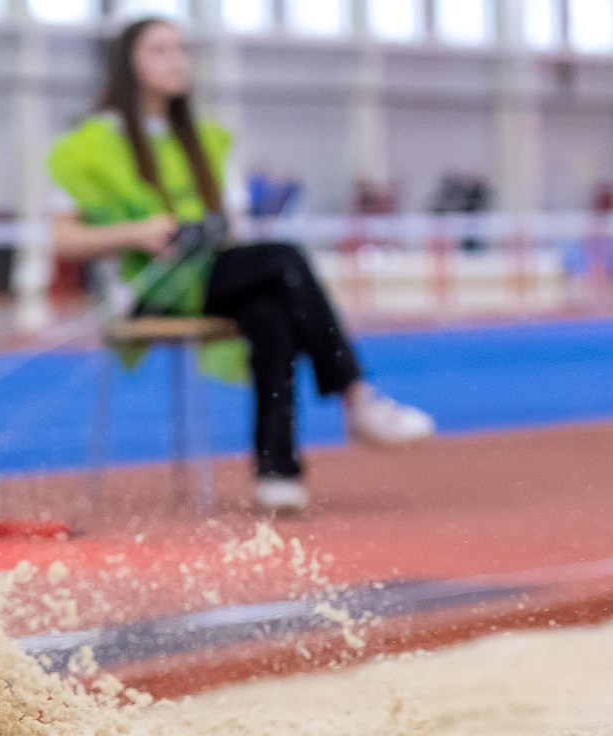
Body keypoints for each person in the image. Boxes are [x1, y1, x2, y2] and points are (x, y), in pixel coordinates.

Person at [49, 19, 434, 515]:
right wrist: (136, 233)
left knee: (273, 311)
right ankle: (355, 397)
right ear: (129, 63)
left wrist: (209, 231)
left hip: (212, 276)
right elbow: (63, 238)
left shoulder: (208, 140)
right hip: (153, 287)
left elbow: (231, 229)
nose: (177, 60)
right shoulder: (85, 147)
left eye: (181, 49)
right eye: (160, 50)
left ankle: (279, 471)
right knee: (286, 259)